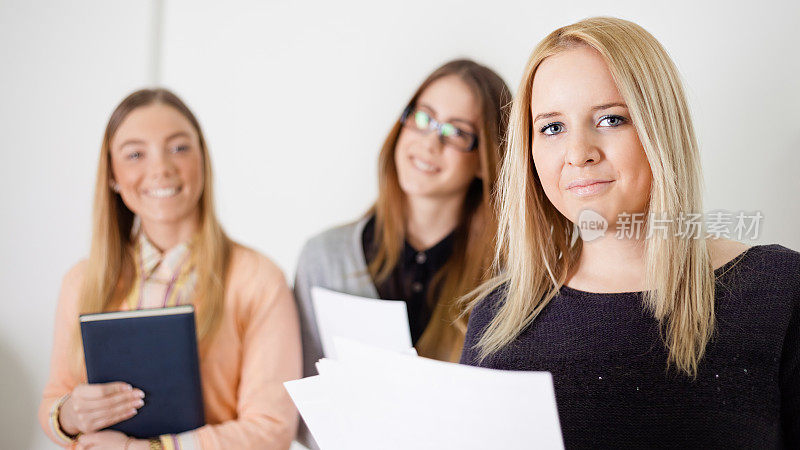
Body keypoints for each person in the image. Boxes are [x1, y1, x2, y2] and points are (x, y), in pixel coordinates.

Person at [460, 17, 799, 448]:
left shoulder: (778, 290)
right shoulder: (497, 318)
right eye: (551, 127)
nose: (579, 153)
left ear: (661, 129)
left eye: (610, 120)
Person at [38, 89, 302, 450]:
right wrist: (69, 415)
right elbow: (54, 399)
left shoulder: (258, 279)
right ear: (112, 174)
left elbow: (272, 429)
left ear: (203, 161)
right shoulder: (83, 281)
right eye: (135, 154)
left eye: (179, 148)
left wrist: (148, 449)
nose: (161, 168)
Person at [293, 59, 510, 447]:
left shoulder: (507, 276)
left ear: (485, 161)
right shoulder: (323, 257)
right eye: (424, 118)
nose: (430, 141)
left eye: (457, 132)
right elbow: (306, 410)